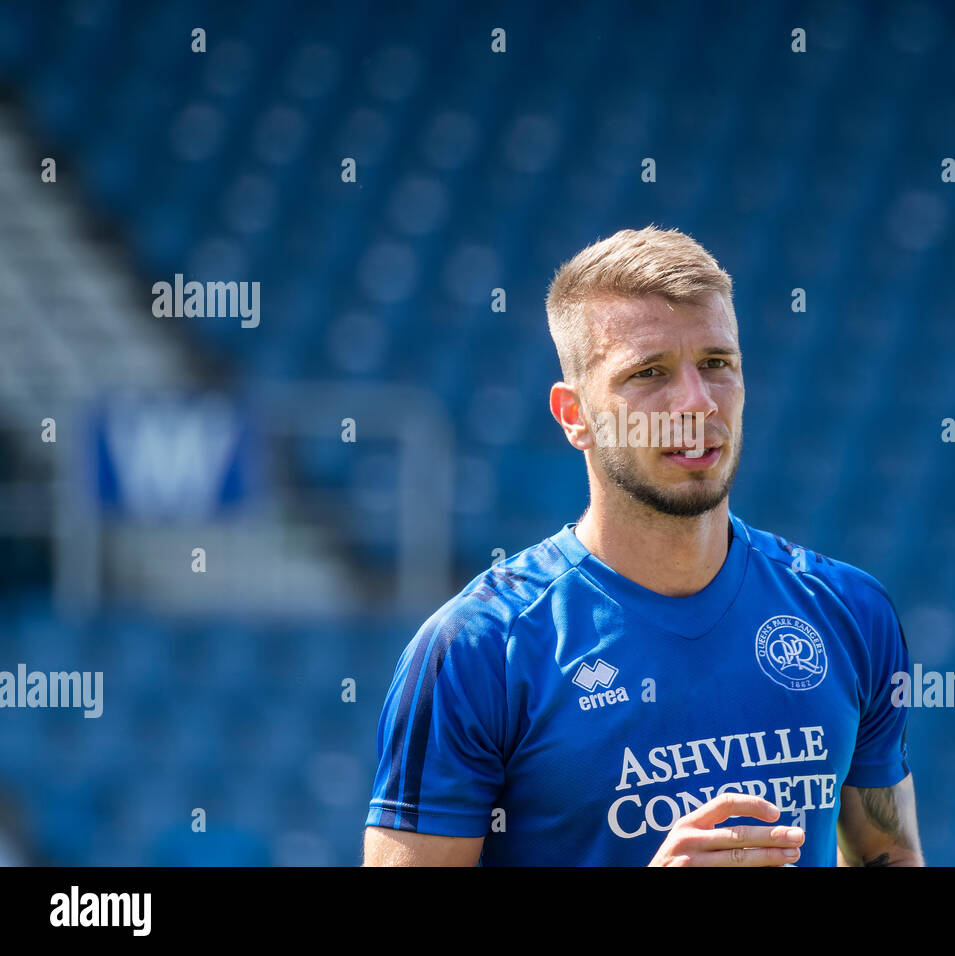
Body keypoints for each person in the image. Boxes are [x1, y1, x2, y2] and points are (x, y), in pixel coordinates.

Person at [363, 225, 923, 866]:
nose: (695, 402)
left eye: (717, 364)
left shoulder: (850, 611)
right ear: (575, 415)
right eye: (649, 373)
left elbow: (888, 853)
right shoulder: (477, 651)